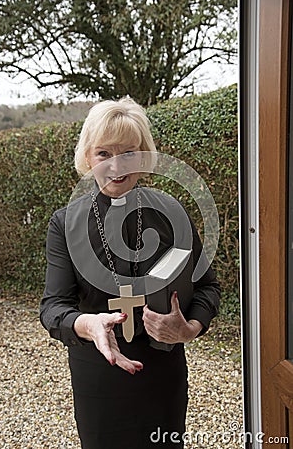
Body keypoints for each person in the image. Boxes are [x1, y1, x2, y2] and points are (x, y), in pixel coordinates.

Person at [40, 98, 220, 449]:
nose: (116, 165)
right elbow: (53, 308)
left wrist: (190, 328)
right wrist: (88, 325)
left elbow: (208, 287)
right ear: (87, 158)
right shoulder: (65, 223)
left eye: (128, 152)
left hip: (162, 373)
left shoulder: (171, 212)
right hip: (99, 375)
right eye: (104, 153)